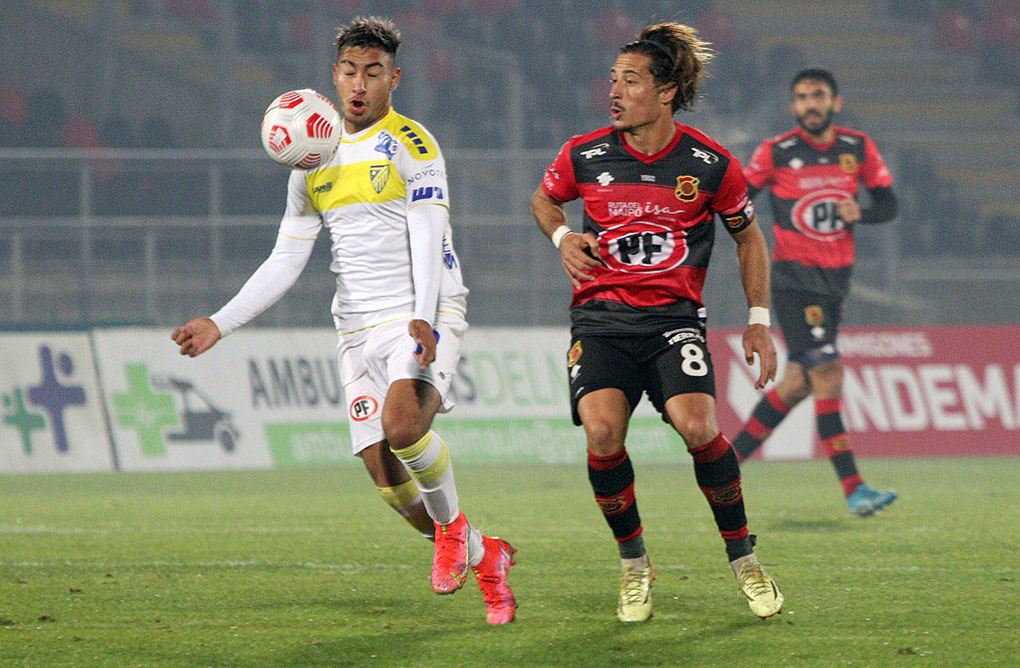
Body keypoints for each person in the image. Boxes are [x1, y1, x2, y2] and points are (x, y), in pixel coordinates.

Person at [171, 16, 516, 624]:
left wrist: (424, 316)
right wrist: (221, 322)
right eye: (350, 71)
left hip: (423, 312)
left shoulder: (413, 146)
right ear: (334, 76)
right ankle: (484, 553)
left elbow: (430, 233)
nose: (360, 84)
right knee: (386, 475)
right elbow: (287, 256)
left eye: (373, 72)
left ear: (394, 79)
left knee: (404, 425)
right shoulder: (312, 158)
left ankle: (455, 529)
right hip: (354, 327)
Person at [531, 22, 783, 623]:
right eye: (613, 79)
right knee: (601, 436)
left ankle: (743, 558)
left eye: (631, 81)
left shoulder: (710, 164)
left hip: (673, 322)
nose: (614, 92)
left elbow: (750, 240)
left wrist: (756, 320)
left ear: (667, 92)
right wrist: (564, 235)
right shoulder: (583, 154)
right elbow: (544, 200)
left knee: (699, 428)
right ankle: (634, 565)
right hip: (600, 322)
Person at [731, 68, 899, 518]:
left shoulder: (856, 148)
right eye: (802, 97)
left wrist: (859, 212)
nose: (810, 104)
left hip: (834, 282)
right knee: (828, 373)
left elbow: (889, 204)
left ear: (835, 103)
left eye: (818, 96)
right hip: (792, 279)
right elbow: (739, 198)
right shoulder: (776, 152)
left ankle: (725, 467)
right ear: (793, 106)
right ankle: (854, 488)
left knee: (796, 385)